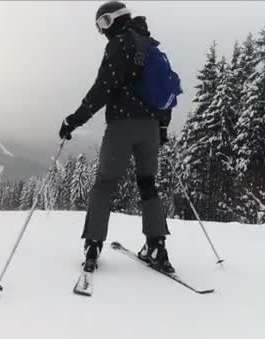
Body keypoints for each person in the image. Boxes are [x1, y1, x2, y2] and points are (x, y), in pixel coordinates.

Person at [59, 1, 175, 273]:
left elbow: (102, 89)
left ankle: (93, 245)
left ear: (115, 20)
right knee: (148, 183)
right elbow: (163, 91)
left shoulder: (119, 45)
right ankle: (157, 247)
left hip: (122, 125)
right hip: (150, 127)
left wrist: (74, 120)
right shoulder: (150, 45)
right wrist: (161, 128)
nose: (102, 32)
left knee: (105, 183)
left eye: (103, 24)